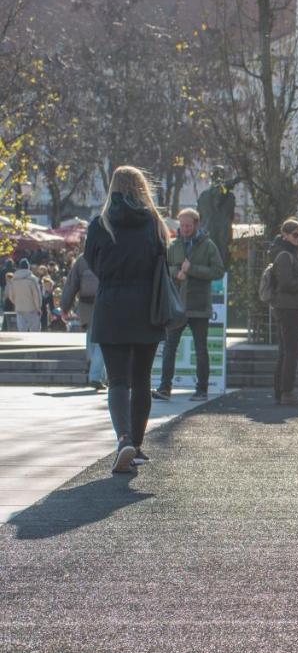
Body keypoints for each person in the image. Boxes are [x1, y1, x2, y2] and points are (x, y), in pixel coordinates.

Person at [84, 165, 171, 474]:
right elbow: (163, 262)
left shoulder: (100, 224)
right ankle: (138, 444)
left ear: (113, 188)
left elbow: (92, 261)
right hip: (147, 307)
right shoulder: (154, 223)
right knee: (142, 379)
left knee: (118, 380)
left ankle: (123, 440)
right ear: (141, 187)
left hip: (111, 307)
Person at [154, 208, 226, 402]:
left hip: (199, 305)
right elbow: (164, 268)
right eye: (182, 225)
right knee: (169, 347)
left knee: (201, 348)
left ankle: (202, 390)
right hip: (177, 305)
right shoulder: (174, 245)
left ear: (196, 224)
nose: (184, 229)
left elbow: (218, 271)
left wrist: (192, 269)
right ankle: (164, 388)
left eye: (188, 225)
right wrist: (176, 272)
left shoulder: (209, 246)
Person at [266, 218, 298, 406]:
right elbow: (286, 284)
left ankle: (281, 392)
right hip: (287, 307)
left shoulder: (285, 253)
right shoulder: (285, 255)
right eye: (295, 234)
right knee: (291, 350)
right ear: (285, 235)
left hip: (284, 306)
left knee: (285, 351)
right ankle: (287, 392)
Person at [61, 253, 105, 389]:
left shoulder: (82, 259)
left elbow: (71, 284)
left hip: (86, 306)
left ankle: (96, 372)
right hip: (106, 303)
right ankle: (96, 376)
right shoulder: (111, 253)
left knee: (93, 338)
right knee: (103, 341)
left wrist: (65, 306)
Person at [197, 166, 240, 266]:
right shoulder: (226, 194)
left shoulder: (204, 195)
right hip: (220, 234)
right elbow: (220, 193)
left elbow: (198, 216)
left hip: (206, 233)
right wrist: (233, 182)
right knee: (221, 263)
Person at [8, 258, 43, 332]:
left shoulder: (13, 280)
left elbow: (11, 296)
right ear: (28, 267)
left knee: (22, 333)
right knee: (34, 333)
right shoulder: (32, 279)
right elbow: (36, 295)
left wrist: (17, 303)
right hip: (32, 309)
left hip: (19, 309)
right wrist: (38, 307)